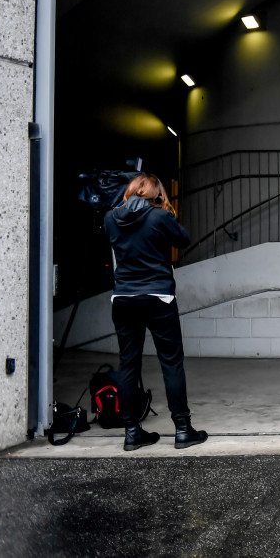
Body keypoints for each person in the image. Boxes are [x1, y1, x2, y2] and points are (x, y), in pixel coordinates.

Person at [103, 174, 208, 451]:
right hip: (158, 297)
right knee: (171, 363)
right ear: (157, 195)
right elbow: (182, 239)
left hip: (124, 298)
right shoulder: (159, 217)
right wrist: (166, 211)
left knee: (128, 365)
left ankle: (132, 433)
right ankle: (183, 430)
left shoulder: (111, 218)